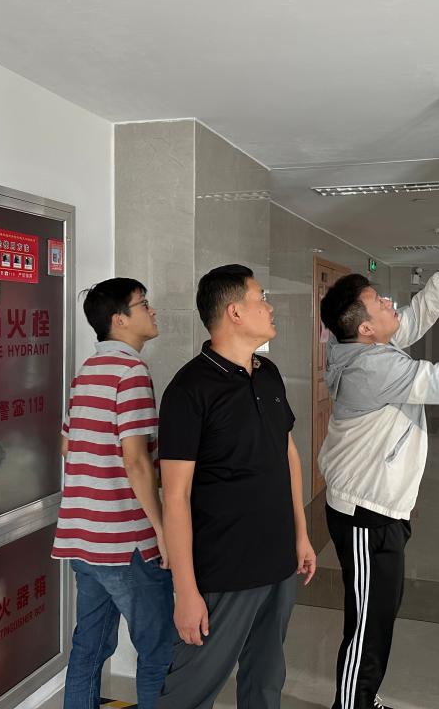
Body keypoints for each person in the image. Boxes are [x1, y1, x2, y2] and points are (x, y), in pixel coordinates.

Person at [317, 242, 439, 709]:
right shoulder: (372, 365)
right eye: (379, 301)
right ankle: (353, 705)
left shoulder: (362, 346)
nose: (390, 303)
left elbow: (412, 318)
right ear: (366, 328)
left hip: (375, 508)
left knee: (378, 616)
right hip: (365, 514)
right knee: (368, 625)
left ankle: (362, 699)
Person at [157, 264, 317, 709]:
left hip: (279, 563)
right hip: (224, 569)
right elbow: (175, 496)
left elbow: (287, 455)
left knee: (266, 680)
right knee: (190, 691)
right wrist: (186, 591)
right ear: (235, 312)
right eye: (260, 297)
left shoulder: (268, 374)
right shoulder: (189, 390)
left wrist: (301, 534)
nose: (270, 307)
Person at [52, 278, 174, 709]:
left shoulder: (87, 372)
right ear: (119, 320)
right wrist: (162, 531)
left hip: (84, 538)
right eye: (144, 304)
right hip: (127, 543)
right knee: (159, 651)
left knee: (89, 646)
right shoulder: (131, 373)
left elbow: (67, 445)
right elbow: (136, 460)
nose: (152, 311)